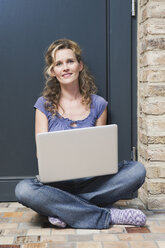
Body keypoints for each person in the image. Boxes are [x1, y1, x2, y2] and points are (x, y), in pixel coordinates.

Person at [15, 39, 146, 229]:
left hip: (93, 184)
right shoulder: (43, 105)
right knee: (24, 190)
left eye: (70, 61)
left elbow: (102, 153)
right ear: (53, 71)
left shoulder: (99, 104)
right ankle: (106, 215)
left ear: (80, 65)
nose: (65, 67)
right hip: (56, 186)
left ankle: (63, 210)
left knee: (137, 171)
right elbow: (41, 154)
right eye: (58, 64)